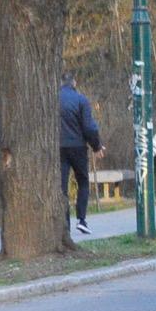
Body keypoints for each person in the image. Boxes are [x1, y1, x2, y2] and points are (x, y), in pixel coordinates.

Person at [58, 72, 103, 234]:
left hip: (59, 148)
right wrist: (97, 146)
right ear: (74, 83)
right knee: (83, 181)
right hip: (78, 147)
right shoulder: (81, 100)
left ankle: (65, 224)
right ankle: (82, 219)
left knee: (62, 187)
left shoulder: (52, 99)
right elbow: (89, 127)